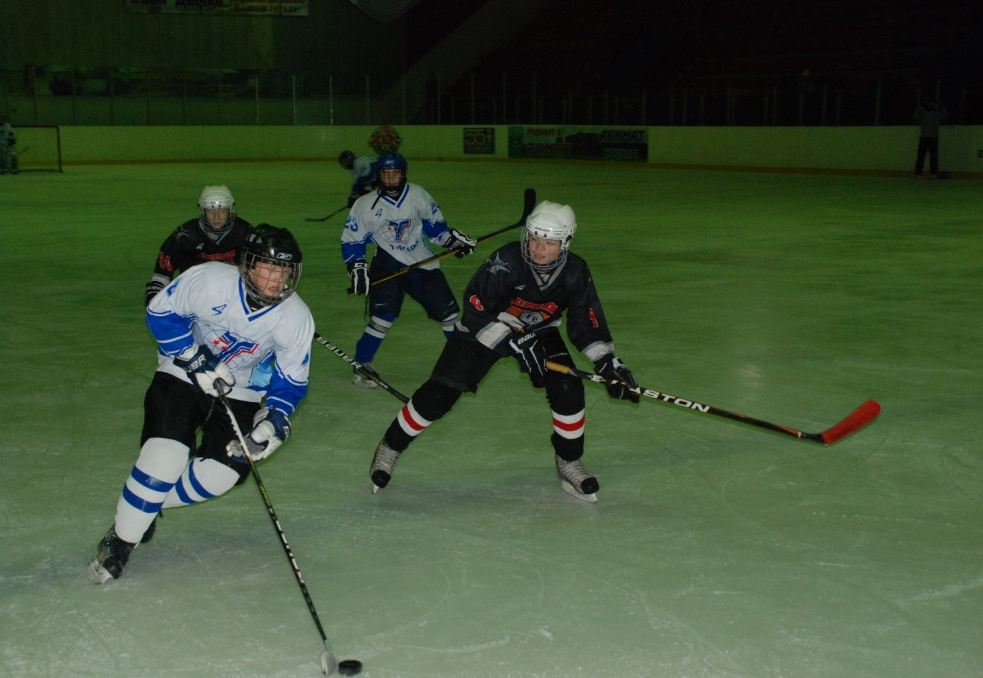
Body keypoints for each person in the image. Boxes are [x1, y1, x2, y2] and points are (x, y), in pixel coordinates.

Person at [367, 201, 640, 504]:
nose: (538, 248)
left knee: (568, 386)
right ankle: (390, 447)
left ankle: (568, 461)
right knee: (440, 394)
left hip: (538, 331)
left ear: (565, 243)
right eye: (534, 238)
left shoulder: (576, 271)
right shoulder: (506, 261)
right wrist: (513, 342)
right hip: (482, 329)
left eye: (549, 243)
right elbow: (475, 307)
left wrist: (607, 363)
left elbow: (585, 323)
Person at [90, 224, 314, 584]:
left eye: (284, 270)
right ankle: (122, 537)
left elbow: (290, 383)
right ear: (249, 264)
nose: (276, 279)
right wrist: (194, 357)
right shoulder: (208, 279)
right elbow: (160, 314)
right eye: (268, 268)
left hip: (238, 390)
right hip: (181, 372)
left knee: (222, 474)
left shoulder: (296, 317)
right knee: (165, 457)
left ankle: (144, 506)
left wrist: (273, 423)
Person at [340, 152, 476, 388]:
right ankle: (362, 363)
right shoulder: (364, 205)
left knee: (448, 315)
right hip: (387, 264)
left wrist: (454, 242)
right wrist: (356, 265)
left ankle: (461, 364)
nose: (391, 179)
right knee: (383, 316)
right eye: (386, 174)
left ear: (403, 173)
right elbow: (352, 240)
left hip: (422, 262)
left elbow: (437, 230)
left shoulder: (418, 195)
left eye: (395, 173)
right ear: (379, 175)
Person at [145, 185, 255, 306]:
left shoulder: (245, 232)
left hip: (233, 295)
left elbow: (257, 269)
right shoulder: (184, 236)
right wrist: (154, 298)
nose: (216, 217)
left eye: (222, 210)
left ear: (230, 210)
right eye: (210, 211)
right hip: (193, 295)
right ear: (202, 211)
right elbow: (163, 271)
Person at [914, 99, 948, 178]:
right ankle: (920, 172)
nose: (931, 105)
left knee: (932, 156)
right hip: (926, 137)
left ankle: (932, 172)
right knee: (922, 156)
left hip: (931, 137)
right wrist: (921, 107)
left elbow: (945, 115)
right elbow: (915, 115)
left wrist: (941, 107)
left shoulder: (935, 114)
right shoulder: (925, 113)